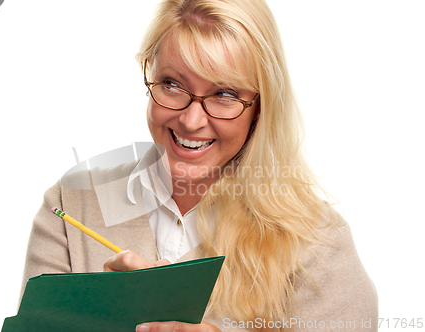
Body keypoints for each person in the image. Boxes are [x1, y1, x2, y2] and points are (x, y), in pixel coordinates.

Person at [20, 0, 378, 331]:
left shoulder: (316, 240)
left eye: (225, 94)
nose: (191, 121)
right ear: (149, 76)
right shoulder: (72, 203)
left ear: (261, 106)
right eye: (172, 84)